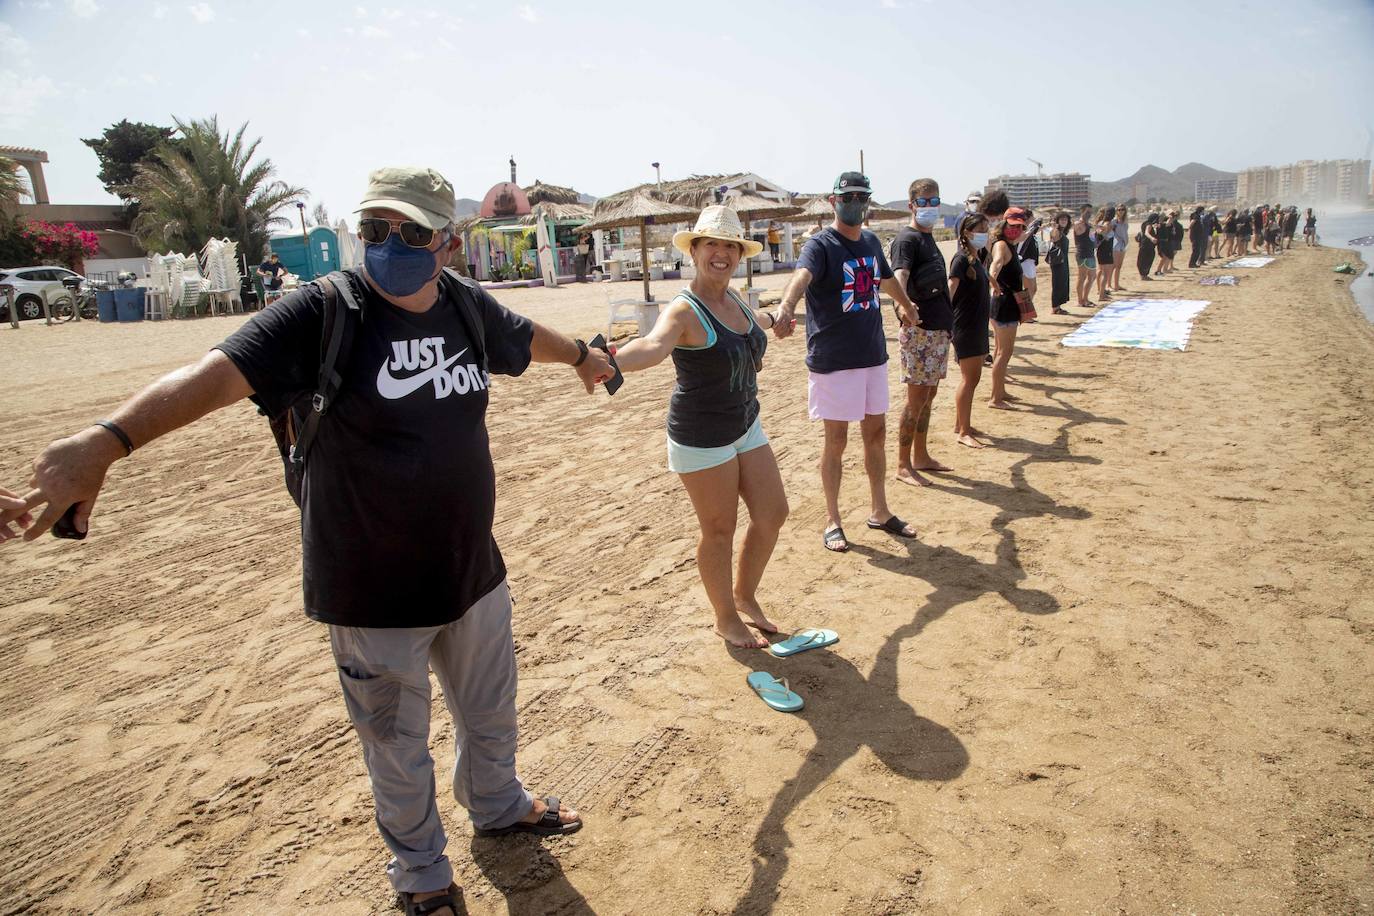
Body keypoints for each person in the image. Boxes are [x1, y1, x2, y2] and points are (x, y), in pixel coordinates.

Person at [0, 167, 614, 916]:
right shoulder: (322, 313)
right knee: (395, 745)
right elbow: (211, 376)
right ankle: (422, 876)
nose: (391, 245)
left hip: (473, 572)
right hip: (368, 587)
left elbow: (525, 338)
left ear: (447, 243)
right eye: (375, 230)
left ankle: (498, 805)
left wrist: (584, 358)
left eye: (412, 233)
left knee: (491, 713)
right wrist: (105, 441)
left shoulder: (464, 304)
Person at [612, 206, 787, 649]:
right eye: (713, 244)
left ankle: (744, 597)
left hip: (746, 422)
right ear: (694, 250)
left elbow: (756, 325)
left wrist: (776, 319)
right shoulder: (683, 309)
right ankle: (724, 617)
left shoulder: (735, 298)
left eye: (731, 246)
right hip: (702, 436)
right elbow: (653, 345)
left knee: (772, 513)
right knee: (719, 529)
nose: (722, 253)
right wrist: (608, 362)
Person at [772, 171, 921, 552]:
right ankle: (832, 520)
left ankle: (880, 511)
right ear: (833, 200)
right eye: (848, 196)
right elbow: (801, 276)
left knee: (875, 434)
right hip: (834, 360)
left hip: (872, 355)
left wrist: (905, 304)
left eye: (861, 196)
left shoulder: (871, 241)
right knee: (836, 441)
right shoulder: (821, 245)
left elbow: (885, 280)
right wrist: (786, 308)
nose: (856, 202)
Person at [889, 178, 954, 487]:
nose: (930, 207)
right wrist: (902, 305)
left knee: (928, 396)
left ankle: (921, 456)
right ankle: (903, 464)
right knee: (915, 400)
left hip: (938, 332)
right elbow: (898, 275)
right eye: (923, 202)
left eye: (934, 201)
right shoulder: (908, 239)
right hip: (920, 332)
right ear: (911, 205)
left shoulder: (928, 239)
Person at [948, 212, 991, 448]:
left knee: (973, 378)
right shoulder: (961, 259)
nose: (985, 234)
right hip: (966, 326)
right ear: (967, 232)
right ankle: (963, 431)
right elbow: (950, 289)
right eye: (981, 229)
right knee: (970, 378)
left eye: (987, 228)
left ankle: (961, 423)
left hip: (977, 325)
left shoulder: (976, 257)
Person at [986, 213, 1026, 411]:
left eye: (1020, 227)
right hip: (1004, 305)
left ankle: (1000, 391)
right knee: (1004, 352)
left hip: (1004, 304)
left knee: (1000, 351)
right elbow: (997, 263)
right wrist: (992, 280)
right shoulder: (1002, 245)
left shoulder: (1009, 243)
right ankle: (995, 398)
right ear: (1003, 226)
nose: (1016, 230)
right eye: (1012, 226)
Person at [1047, 211, 1073, 313]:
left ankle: (1058, 306)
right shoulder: (1056, 231)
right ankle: (1055, 307)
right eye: (1061, 219)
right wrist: (1055, 227)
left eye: (1065, 219)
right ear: (1057, 220)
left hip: (1063, 260)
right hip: (1057, 261)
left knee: (1062, 282)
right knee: (1057, 283)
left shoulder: (1062, 231)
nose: (1064, 221)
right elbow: (1055, 238)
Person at [1072, 205, 1098, 307]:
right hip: (1082, 253)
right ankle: (1080, 300)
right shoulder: (1079, 224)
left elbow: (1092, 238)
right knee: (1082, 277)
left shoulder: (1089, 225)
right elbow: (1075, 228)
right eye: (1087, 212)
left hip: (1090, 253)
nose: (1089, 214)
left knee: (1092, 276)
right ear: (1082, 211)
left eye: (1090, 212)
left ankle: (1085, 298)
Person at [1094, 208, 1115, 301]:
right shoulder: (1108, 224)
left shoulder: (1100, 223)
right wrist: (1105, 234)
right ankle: (1102, 295)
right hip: (1106, 249)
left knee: (1100, 270)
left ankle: (1100, 291)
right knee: (1106, 273)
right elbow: (1103, 234)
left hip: (1100, 249)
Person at [1110, 205, 1129, 290]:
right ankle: (1109, 284)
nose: (1121, 211)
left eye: (1122, 210)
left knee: (1119, 266)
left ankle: (1116, 284)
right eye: (1119, 210)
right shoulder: (1114, 221)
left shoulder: (1125, 222)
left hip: (1123, 244)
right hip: (1116, 244)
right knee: (1113, 265)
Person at [1136, 212, 1159, 280]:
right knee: (1147, 260)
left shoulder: (1145, 223)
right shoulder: (1149, 225)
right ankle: (1144, 275)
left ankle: (1143, 275)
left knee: (1142, 260)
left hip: (1143, 245)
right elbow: (1146, 232)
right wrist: (1152, 238)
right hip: (1147, 245)